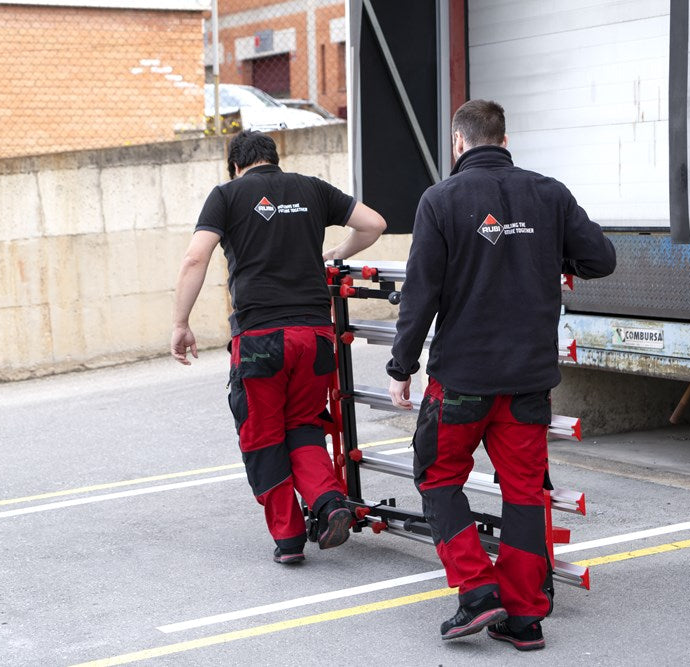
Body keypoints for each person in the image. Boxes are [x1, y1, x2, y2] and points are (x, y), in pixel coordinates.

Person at [387, 100, 616, 649]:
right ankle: (525, 619)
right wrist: (555, 259)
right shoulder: (549, 193)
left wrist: (401, 365)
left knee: (438, 477)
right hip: (528, 381)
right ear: (505, 139)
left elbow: (420, 293)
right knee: (524, 492)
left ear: (458, 143)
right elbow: (601, 259)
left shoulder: (440, 200)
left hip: (462, 380)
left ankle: (476, 593)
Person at [172, 130, 386, 565]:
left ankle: (289, 539)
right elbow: (374, 224)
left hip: (260, 338)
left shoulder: (226, 195)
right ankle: (329, 503)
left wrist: (180, 322)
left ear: (235, 166)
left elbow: (195, 257)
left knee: (262, 435)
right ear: (274, 158)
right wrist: (335, 253)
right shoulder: (312, 188)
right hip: (315, 335)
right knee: (303, 426)